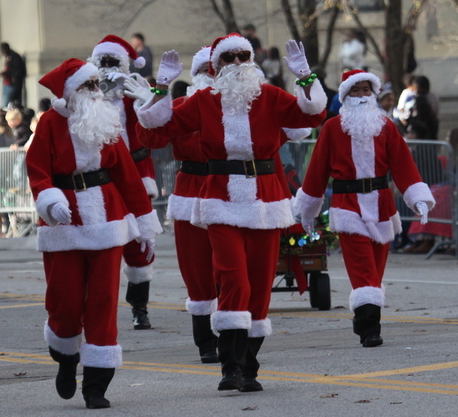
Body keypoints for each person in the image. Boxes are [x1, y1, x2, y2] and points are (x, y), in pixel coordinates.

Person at [126, 34, 326, 391]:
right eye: (228, 58)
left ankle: (250, 364)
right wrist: (160, 88)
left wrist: (306, 77)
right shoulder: (204, 100)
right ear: (216, 67)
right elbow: (155, 136)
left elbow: (312, 114)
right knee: (233, 278)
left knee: (261, 284)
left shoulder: (270, 97)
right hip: (219, 199)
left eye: (242, 56)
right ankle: (229, 365)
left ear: (251, 61)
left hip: (265, 200)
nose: (236, 63)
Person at [26, 58, 158, 409]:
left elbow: (127, 175)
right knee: (65, 300)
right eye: (90, 86)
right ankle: (67, 356)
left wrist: (144, 223)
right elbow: (37, 170)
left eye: (98, 85)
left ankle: (97, 382)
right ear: (72, 93)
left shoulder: (107, 122)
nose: (97, 92)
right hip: (64, 220)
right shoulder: (50, 123)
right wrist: (50, 201)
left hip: (108, 219)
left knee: (103, 299)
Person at [294, 69, 435, 347]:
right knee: (363, 268)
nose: (361, 96)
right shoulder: (332, 128)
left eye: (366, 90)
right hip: (348, 207)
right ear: (346, 96)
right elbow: (317, 172)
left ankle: (365, 320)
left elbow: (403, 164)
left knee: (376, 269)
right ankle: (370, 329)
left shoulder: (386, 126)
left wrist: (417, 196)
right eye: (355, 91)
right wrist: (308, 209)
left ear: (373, 94)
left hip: (382, 205)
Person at [137, 46, 219, 363]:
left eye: (216, 71)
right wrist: (157, 94)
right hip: (192, 190)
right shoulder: (182, 107)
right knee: (197, 269)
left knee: (232, 268)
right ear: (196, 76)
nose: (212, 77)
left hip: (232, 189)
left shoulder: (241, 109)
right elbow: (150, 137)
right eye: (206, 71)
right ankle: (205, 340)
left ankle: (231, 333)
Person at [88, 34, 162, 330]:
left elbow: (155, 129)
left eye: (113, 62)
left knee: (141, 240)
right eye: (102, 62)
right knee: (99, 241)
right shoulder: (86, 94)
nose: (107, 69)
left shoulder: (133, 91)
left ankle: (139, 306)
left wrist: (146, 100)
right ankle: (96, 306)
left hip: (135, 174)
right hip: (100, 179)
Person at [0, 42, 27, 108]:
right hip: (7, 83)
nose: (2, 52)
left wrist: (7, 73)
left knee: (5, 103)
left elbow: (16, 70)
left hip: (13, 84)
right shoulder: (7, 57)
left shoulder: (14, 56)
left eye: (3, 49)